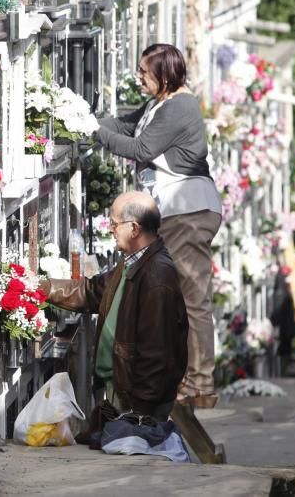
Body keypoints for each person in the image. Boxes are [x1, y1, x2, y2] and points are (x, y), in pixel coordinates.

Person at [91, 43, 223, 407]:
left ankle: (200, 385)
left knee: (192, 298)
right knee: (178, 298)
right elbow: (123, 126)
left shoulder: (180, 106)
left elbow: (139, 149)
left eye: (144, 73)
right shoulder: (159, 104)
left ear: (164, 75)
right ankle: (190, 380)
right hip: (177, 209)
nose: (138, 78)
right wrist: (77, 123)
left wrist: (93, 130)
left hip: (188, 209)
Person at [41, 191, 188, 439]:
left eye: (114, 223)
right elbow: (92, 292)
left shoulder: (156, 278)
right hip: (120, 395)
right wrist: (40, 288)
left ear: (134, 228)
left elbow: (157, 353)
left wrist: (139, 416)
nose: (110, 229)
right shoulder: (134, 262)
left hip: (135, 404)